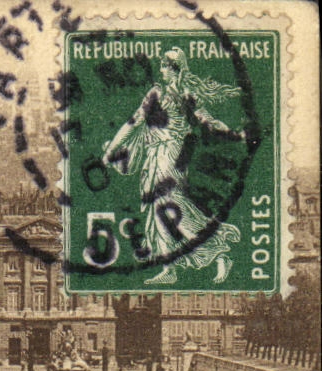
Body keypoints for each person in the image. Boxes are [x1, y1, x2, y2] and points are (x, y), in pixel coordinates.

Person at [101, 46, 246, 285]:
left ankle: (218, 251)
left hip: (172, 156)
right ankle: (169, 268)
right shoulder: (156, 93)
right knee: (156, 209)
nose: (161, 70)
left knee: (172, 206)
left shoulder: (184, 94)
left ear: (175, 68)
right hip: (154, 155)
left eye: (165, 66)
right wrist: (111, 150)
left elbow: (207, 120)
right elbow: (133, 123)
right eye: (161, 65)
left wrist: (234, 134)